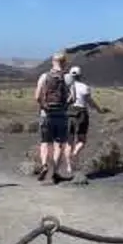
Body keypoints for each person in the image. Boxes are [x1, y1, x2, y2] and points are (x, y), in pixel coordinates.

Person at [34, 52, 73, 184]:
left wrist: (44, 106)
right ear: (65, 62)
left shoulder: (44, 76)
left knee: (45, 142)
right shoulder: (68, 78)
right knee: (59, 144)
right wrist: (65, 105)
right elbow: (72, 97)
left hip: (46, 114)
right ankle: (55, 172)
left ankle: (44, 165)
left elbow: (37, 96)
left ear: (52, 62)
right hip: (61, 115)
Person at [64, 66, 105, 175]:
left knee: (69, 142)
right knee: (81, 140)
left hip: (69, 113)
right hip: (81, 113)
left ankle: (69, 167)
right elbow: (90, 102)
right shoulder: (85, 87)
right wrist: (98, 109)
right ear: (80, 75)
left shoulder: (67, 87)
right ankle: (75, 153)